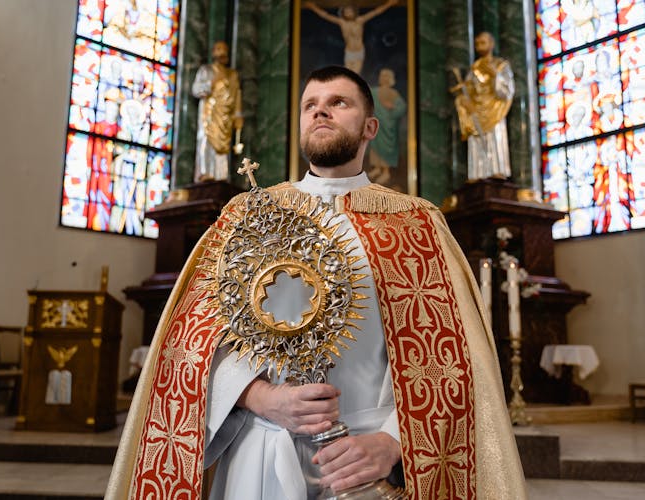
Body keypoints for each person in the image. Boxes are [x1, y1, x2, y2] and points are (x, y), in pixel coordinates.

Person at [106, 66, 526, 499]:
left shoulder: (415, 222)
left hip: (366, 463)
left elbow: (455, 357)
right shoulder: (246, 215)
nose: (320, 112)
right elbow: (189, 344)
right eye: (310, 106)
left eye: (338, 103)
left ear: (370, 127)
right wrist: (259, 397)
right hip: (259, 454)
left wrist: (392, 441)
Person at [451, 32, 515, 181]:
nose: (480, 46)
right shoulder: (474, 68)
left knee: (495, 137)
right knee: (476, 139)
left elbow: (507, 91)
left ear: (492, 44)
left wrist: (495, 76)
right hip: (477, 111)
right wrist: (464, 100)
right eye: (477, 43)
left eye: (483, 42)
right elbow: (469, 90)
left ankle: (497, 170)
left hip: (494, 110)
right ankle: (477, 174)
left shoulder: (501, 65)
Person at [192, 41, 244, 182]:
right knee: (206, 140)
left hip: (225, 115)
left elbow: (236, 94)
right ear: (214, 52)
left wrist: (238, 114)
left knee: (223, 146)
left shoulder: (232, 74)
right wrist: (211, 83)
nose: (222, 53)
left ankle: (221, 175)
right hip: (209, 113)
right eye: (219, 49)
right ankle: (205, 172)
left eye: (225, 49)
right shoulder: (206, 70)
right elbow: (196, 89)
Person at [304, 0, 397, 74]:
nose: (348, 13)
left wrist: (389, 3)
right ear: (343, 13)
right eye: (346, 11)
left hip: (359, 51)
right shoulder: (342, 23)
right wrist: (313, 7)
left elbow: (376, 12)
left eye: (350, 11)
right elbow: (325, 15)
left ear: (354, 12)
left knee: (356, 76)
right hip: (349, 52)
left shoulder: (360, 20)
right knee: (348, 75)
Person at [368, 68, 406, 185]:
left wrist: (393, 108)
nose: (384, 78)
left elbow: (402, 107)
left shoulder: (394, 93)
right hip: (377, 126)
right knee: (375, 146)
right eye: (382, 76)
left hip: (388, 125)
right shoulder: (374, 91)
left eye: (386, 77)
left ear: (390, 79)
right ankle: (377, 168)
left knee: (386, 148)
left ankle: (386, 171)